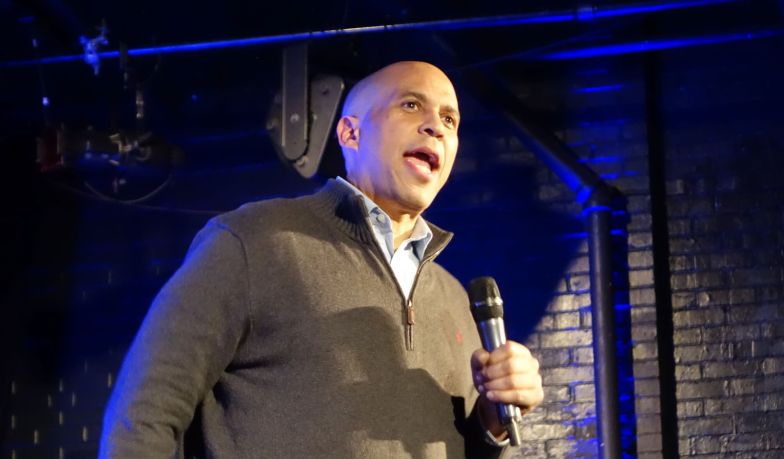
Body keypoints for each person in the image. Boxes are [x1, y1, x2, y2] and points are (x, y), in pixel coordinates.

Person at [100, 61, 543, 458]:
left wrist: (491, 423)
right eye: (411, 105)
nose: (436, 127)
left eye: (450, 119)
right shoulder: (255, 242)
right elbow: (144, 416)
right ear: (350, 133)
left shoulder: (454, 299)